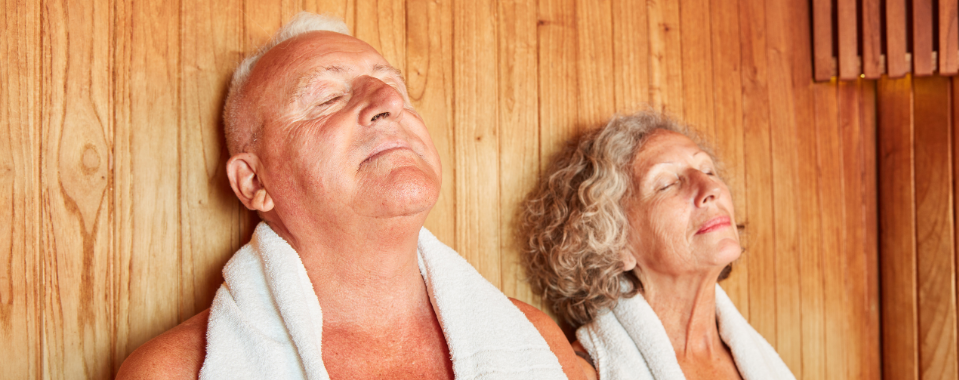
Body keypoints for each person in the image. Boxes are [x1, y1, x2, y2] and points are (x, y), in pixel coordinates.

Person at [117, 12, 585, 380]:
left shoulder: (538, 342)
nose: (389, 102)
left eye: (394, 86)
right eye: (326, 98)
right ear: (254, 183)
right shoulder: (176, 371)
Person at [520, 110, 795, 380]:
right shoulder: (585, 372)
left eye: (707, 169)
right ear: (614, 243)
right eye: (666, 184)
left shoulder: (758, 361)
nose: (710, 187)